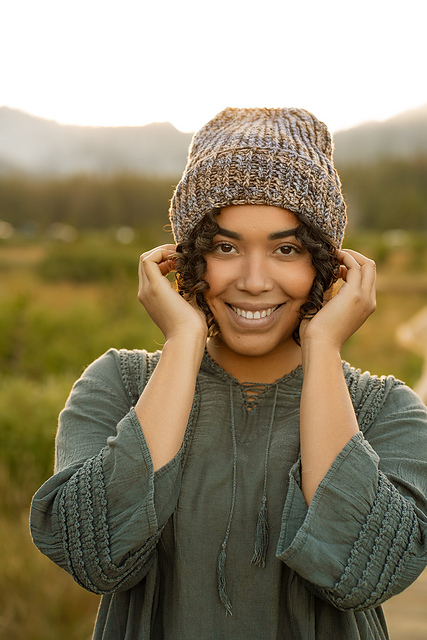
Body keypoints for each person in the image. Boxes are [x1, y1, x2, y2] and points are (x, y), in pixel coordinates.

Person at [30, 107, 427, 640]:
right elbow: (94, 556)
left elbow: (365, 575)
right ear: (190, 256)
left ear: (325, 264)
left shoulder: (386, 412)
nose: (255, 280)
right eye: (225, 247)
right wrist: (183, 342)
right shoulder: (119, 386)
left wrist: (325, 345)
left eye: (286, 249)